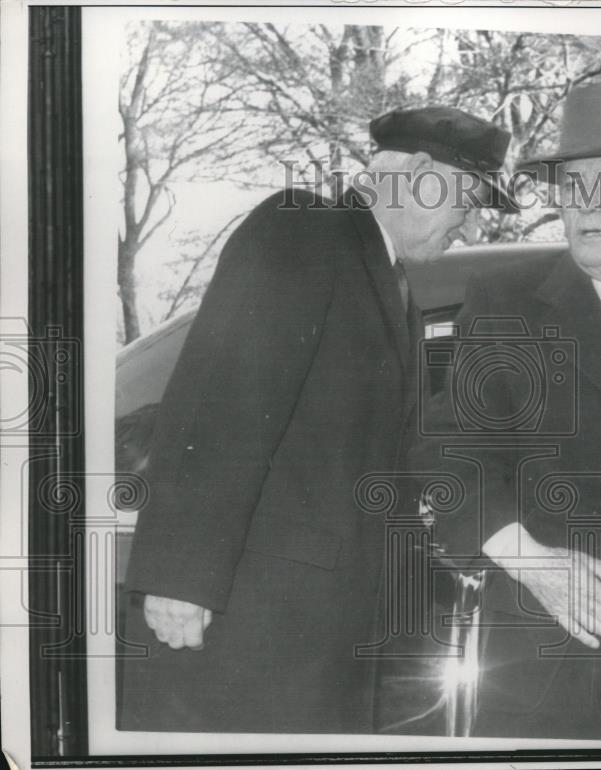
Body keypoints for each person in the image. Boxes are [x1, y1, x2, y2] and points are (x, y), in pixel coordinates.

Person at [120, 106, 515, 733]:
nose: (468, 227)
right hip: (244, 627)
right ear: (419, 173)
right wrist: (179, 579)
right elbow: (219, 406)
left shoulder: (391, 284)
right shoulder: (303, 230)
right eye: (468, 203)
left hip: (315, 635)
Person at [410, 79, 601, 739]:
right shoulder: (506, 304)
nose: (583, 203)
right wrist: (530, 560)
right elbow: (447, 457)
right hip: (548, 684)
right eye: (570, 185)